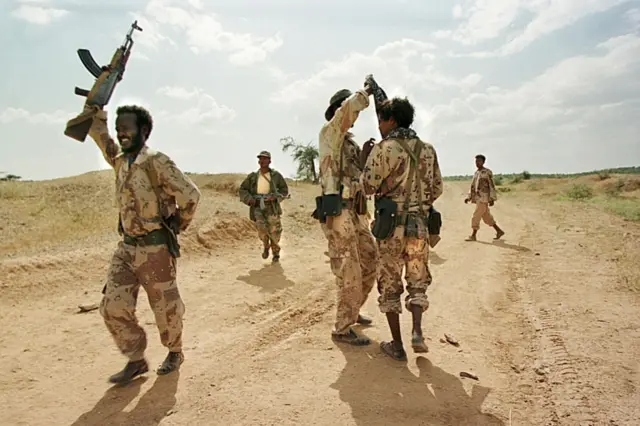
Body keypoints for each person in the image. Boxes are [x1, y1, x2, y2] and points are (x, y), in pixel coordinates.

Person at [86, 103, 201, 385]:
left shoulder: (156, 161)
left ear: (144, 130)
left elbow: (191, 195)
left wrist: (177, 224)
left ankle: (175, 351)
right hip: (126, 248)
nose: (120, 132)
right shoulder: (120, 159)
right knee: (112, 306)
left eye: (126, 127)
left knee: (165, 307)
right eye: (118, 127)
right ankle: (136, 359)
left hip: (155, 249)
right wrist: (95, 109)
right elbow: (99, 134)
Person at [362, 84, 443, 361]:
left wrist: (365, 162)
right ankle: (417, 332)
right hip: (419, 225)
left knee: (390, 282)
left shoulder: (385, 149)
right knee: (417, 279)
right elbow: (437, 189)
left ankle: (397, 346)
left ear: (392, 120)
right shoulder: (428, 149)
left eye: (382, 120)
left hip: (390, 227)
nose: (380, 125)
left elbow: (368, 186)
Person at [315, 84, 379, 346]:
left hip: (355, 210)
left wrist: (363, 159)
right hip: (337, 211)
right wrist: (366, 92)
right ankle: (342, 327)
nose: (354, 118)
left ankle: (352, 310)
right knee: (349, 268)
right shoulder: (330, 133)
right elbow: (348, 109)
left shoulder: (347, 143)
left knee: (370, 257)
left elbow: (356, 179)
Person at [239, 151, 289, 262]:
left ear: (269, 161)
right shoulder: (252, 177)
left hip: (272, 206)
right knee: (261, 228)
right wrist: (250, 199)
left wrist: (275, 197)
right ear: (258, 161)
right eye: (261, 159)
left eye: (265, 159)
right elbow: (242, 189)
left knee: (274, 231)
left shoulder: (276, 176)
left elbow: (284, 190)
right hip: (257, 206)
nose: (262, 161)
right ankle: (266, 245)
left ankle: (275, 253)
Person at [464, 154, 504, 241]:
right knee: (487, 217)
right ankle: (499, 231)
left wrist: (492, 198)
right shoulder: (476, 173)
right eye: (476, 161)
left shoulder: (487, 172)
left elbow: (491, 186)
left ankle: (473, 235)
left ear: (483, 162)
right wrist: (469, 197)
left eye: (479, 161)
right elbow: (473, 186)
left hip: (484, 198)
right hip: (478, 198)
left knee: (476, 216)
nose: (477, 163)